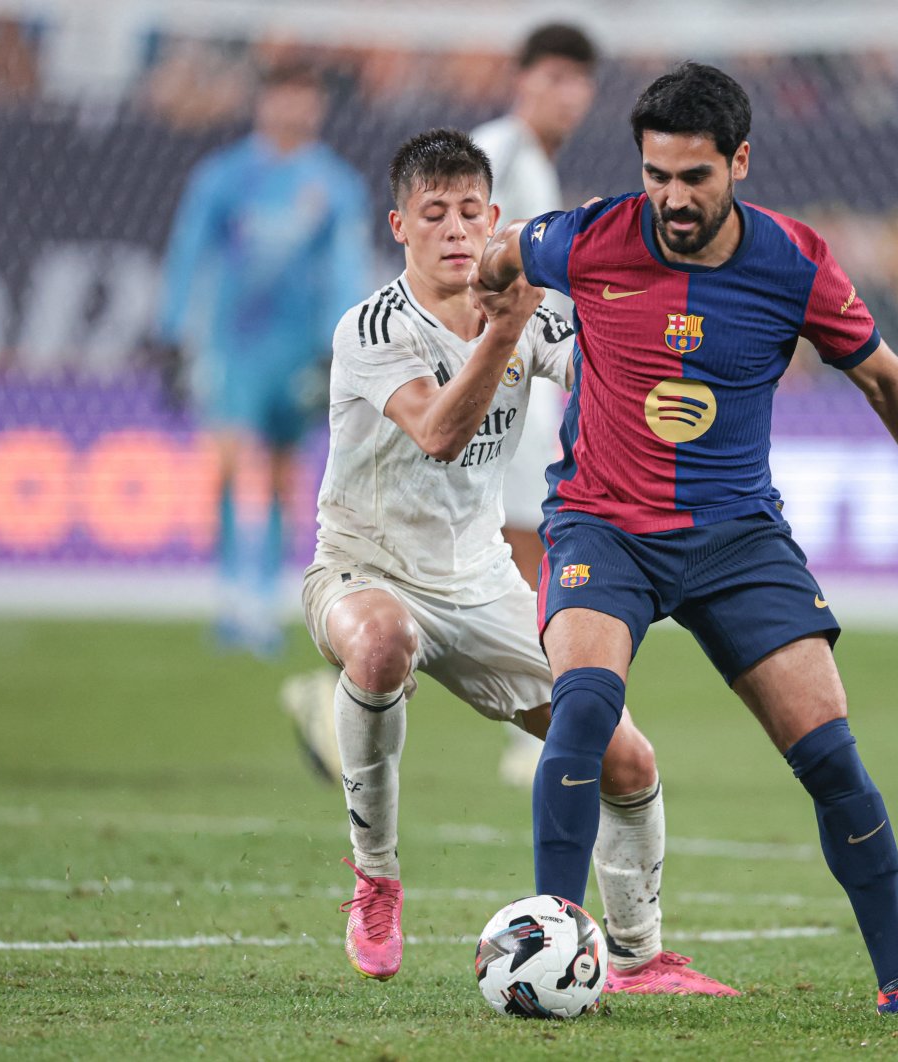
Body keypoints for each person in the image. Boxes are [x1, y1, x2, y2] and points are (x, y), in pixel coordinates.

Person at [475, 63, 898, 1019]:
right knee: (586, 710)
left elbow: (885, 378)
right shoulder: (595, 234)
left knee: (832, 758)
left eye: (695, 178)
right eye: (658, 176)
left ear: (740, 162)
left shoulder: (794, 261)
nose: (673, 200)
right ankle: (554, 938)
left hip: (738, 540)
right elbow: (506, 252)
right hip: (604, 523)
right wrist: (488, 305)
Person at [300, 128, 734, 995]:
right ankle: (376, 880)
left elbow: (611, 366)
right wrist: (507, 325)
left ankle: (640, 956)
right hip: (362, 568)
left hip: (485, 583)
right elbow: (440, 433)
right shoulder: (375, 327)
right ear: (400, 225)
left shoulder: (528, 308)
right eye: (435, 214)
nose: (456, 230)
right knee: (381, 642)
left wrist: (684, 357)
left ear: (495, 218)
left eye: (471, 212)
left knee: (627, 761)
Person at [153, 62, 370, 654]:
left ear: (319, 107)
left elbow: (346, 268)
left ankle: (264, 601)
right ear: (263, 101)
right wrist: (171, 332)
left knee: (281, 473)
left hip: (297, 348)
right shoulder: (224, 177)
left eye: (304, 98)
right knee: (224, 462)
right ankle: (228, 594)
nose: (293, 109)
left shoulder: (335, 185)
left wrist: (339, 344)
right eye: (283, 96)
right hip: (233, 344)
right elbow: (189, 252)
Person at [471, 22, 598, 788]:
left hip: (528, 387)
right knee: (528, 553)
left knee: (525, 553)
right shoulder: (498, 155)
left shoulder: (535, 163)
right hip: (499, 388)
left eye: (578, 81)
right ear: (521, 80)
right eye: (553, 77)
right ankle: (537, 730)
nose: (567, 94)